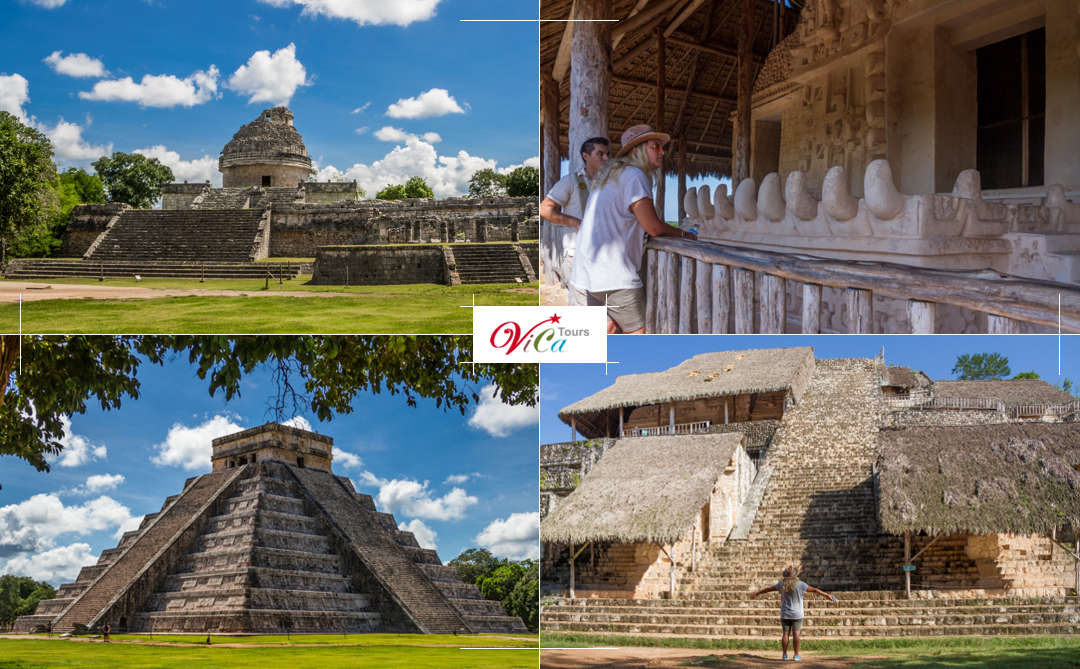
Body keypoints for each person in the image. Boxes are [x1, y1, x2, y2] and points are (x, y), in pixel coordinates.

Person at [570, 124, 696, 334]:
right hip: (614, 276)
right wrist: (686, 234)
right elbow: (653, 227)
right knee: (638, 336)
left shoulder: (610, 176)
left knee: (607, 330)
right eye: (655, 147)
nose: (662, 152)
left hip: (588, 273)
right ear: (637, 150)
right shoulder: (635, 176)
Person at [540, 136, 610, 305]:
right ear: (586, 156)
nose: (606, 158)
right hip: (577, 254)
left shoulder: (609, 184)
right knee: (583, 308)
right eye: (600, 154)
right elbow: (545, 209)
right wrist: (576, 222)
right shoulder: (570, 181)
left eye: (607, 154)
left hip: (605, 255)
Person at [751, 565, 837, 661]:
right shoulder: (801, 584)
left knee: (785, 634)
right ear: (795, 575)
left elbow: (768, 589)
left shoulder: (781, 584)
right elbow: (815, 590)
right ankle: (796, 655)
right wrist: (827, 595)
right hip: (797, 614)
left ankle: (784, 655)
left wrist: (757, 593)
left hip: (785, 613)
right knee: (796, 634)